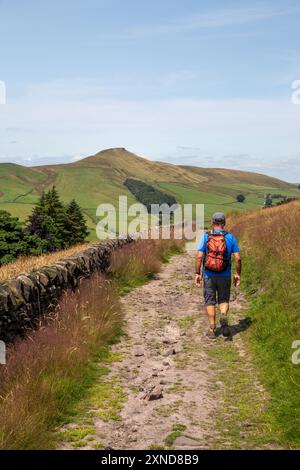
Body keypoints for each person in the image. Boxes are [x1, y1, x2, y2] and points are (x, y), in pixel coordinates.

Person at [195, 212, 242, 340]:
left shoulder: (206, 236)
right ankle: (223, 315)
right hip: (225, 275)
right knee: (223, 299)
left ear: (212, 222)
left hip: (209, 275)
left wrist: (197, 273)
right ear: (224, 223)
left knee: (210, 300)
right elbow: (238, 259)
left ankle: (212, 328)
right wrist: (237, 274)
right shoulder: (230, 237)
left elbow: (199, 257)